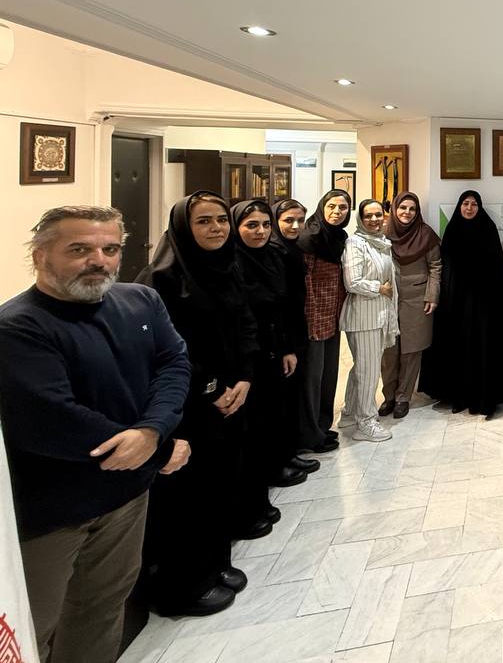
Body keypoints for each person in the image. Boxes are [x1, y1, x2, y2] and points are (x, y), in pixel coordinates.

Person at [0, 206, 190, 662]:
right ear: (40, 256)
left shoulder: (140, 302)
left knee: (102, 608)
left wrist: (152, 430)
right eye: (79, 249)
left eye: (110, 249)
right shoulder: (17, 326)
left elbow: (173, 363)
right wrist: (157, 449)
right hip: (50, 513)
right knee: (31, 630)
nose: (98, 261)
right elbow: (52, 419)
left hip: (126, 495)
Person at [137, 192, 257, 616]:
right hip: (190, 402)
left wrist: (244, 377)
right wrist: (214, 388)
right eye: (204, 221)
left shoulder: (228, 264)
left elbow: (245, 323)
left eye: (221, 219)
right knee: (189, 494)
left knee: (221, 482)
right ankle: (183, 586)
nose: (216, 228)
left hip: (232, 394)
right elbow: (169, 348)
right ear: (183, 228)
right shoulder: (162, 279)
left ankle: (214, 564)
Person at [230, 200, 314, 540]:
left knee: (276, 410)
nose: (261, 231)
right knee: (255, 423)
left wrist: (286, 347)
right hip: (245, 359)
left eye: (265, 224)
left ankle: (280, 461)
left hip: (276, 346)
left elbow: (281, 306)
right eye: (252, 225)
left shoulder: (272, 256)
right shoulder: (233, 262)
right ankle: (264, 479)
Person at [420, 191, 503, 417]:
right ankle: (459, 396)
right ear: (460, 206)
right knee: (459, 348)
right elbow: (446, 268)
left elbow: (496, 270)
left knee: (482, 348)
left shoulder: (488, 229)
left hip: (485, 305)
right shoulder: (452, 230)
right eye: (465, 203)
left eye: (474, 204)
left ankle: (482, 396)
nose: (469, 208)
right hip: (458, 304)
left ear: (479, 207)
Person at [339, 199, 400, 442]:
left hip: (377, 315)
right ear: (360, 219)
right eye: (368, 216)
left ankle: (349, 413)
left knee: (362, 368)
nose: (374, 220)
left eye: (378, 215)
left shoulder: (381, 242)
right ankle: (366, 422)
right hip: (364, 317)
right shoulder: (356, 243)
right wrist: (379, 288)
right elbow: (352, 282)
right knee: (368, 372)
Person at [297, 189, 351, 453]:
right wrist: (311, 320)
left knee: (329, 376)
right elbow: (305, 284)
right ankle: (310, 435)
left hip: (334, 315)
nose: (336, 212)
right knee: (312, 379)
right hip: (314, 318)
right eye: (331, 206)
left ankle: (322, 425)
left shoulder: (339, 237)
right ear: (322, 207)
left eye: (342, 208)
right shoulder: (310, 238)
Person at [382, 191, 442, 418]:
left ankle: (403, 397)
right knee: (388, 351)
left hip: (417, 299)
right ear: (394, 209)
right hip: (387, 298)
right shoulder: (384, 233)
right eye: (403, 208)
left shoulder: (426, 235)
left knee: (411, 351)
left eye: (412, 209)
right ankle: (388, 396)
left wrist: (432, 296)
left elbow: (436, 267)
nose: (407, 213)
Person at [271, 198, 313, 458]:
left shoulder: (293, 248)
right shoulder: (275, 251)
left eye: (300, 220)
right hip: (281, 335)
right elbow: (278, 302)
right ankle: (283, 456)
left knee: (293, 392)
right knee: (282, 397)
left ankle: (293, 449)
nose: (295, 226)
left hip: (295, 328)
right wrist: (286, 346)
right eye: (288, 220)